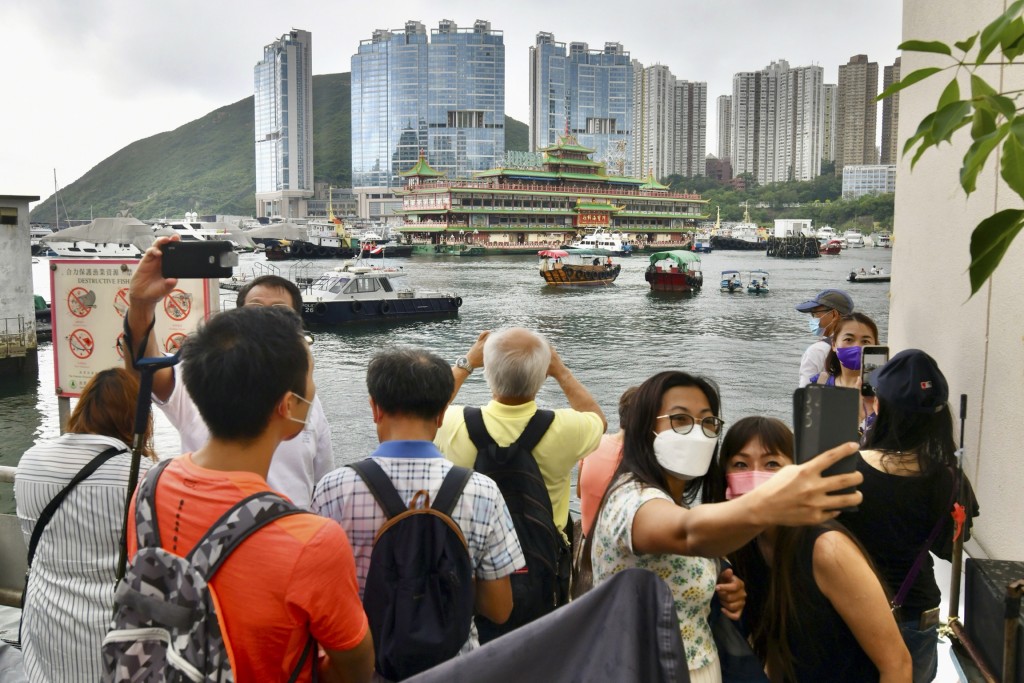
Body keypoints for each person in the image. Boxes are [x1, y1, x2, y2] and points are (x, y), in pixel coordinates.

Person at [124, 306, 373, 682]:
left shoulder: (151, 487)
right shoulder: (313, 541)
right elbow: (355, 666)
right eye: (311, 376)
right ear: (288, 407)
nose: (315, 388)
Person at [588, 370, 865, 682]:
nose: (697, 433)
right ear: (644, 429)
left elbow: (680, 556)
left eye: (708, 422)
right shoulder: (633, 499)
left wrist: (718, 588)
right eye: (679, 419)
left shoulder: (672, 500)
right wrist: (772, 501)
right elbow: (688, 531)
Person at [312, 348, 524, 660]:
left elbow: (320, 598)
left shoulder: (334, 488)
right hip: (454, 667)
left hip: (366, 665)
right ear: (441, 414)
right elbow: (500, 609)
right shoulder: (482, 491)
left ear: (375, 408)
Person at [123, 235, 333, 508]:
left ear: (298, 330)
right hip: (210, 531)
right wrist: (141, 303)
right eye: (254, 310)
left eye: (280, 313)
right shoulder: (207, 375)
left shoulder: (307, 396)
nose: (265, 320)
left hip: (292, 539)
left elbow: (321, 482)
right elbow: (144, 371)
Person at [706, 416, 912, 682]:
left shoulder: (827, 550)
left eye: (772, 464)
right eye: (740, 464)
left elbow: (897, 664)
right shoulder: (743, 545)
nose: (756, 476)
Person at [841, 350, 979, 683]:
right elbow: (951, 547)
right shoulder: (950, 479)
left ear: (879, 408)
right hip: (916, 610)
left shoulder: (845, 468)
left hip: (851, 604)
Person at [15, 369, 156, 683]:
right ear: (136, 418)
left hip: (43, 627)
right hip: (112, 641)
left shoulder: (30, 462)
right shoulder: (146, 476)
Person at [578, 386, 636, 537]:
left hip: (589, 538)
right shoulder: (646, 458)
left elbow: (579, 493)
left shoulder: (592, 443)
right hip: (618, 549)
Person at [795, 288, 854, 387]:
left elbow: (805, 396)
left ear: (834, 314)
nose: (813, 319)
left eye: (815, 314)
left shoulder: (817, 351)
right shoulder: (863, 346)